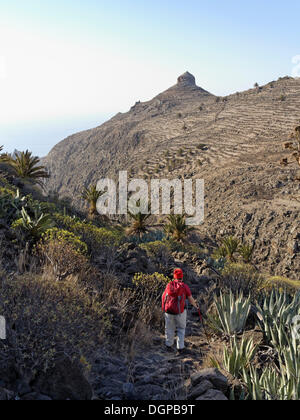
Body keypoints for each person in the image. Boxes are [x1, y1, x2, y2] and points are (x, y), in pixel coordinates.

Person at [162, 268, 199, 354]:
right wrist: (196, 306)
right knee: (181, 329)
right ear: (182, 277)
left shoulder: (169, 285)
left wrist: (164, 308)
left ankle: (168, 346)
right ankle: (180, 348)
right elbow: (190, 299)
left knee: (169, 328)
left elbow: (164, 296)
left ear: (174, 277)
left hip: (168, 311)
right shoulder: (184, 286)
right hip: (180, 312)